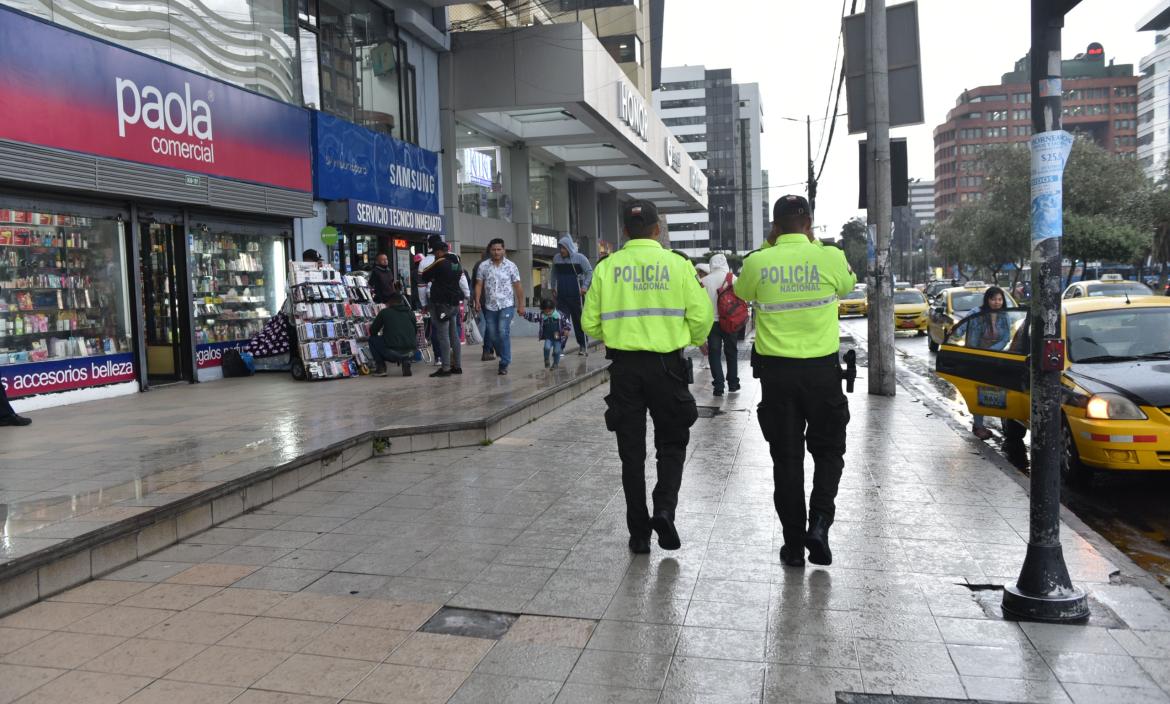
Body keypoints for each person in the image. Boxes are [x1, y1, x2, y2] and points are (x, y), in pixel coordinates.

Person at [583, 200, 713, 555]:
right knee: (671, 444)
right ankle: (665, 509)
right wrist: (682, 339)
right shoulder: (678, 265)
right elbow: (702, 319)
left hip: (624, 370)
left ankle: (639, 535)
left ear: (624, 230)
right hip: (667, 366)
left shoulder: (607, 268)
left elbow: (589, 323)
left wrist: (618, 334)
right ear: (658, 229)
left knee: (631, 455)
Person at [734, 195, 856, 568]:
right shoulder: (829, 257)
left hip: (778, 378)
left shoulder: (758, 262)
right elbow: (848, 286)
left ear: (774, 226)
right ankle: (819, 523)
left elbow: (742, 293)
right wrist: (813, 244)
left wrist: (773, 246)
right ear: (810, 223)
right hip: (822, 375)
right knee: (829, 451)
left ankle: (792, 546)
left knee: (786, 461)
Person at [473, 238, 526, 375]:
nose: (496, 252)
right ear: (490, 251)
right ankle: (504, 355)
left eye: (499, 249)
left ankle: (504, 362)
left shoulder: (511, 266)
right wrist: (477, 300)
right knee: (492, 334)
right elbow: (479, 284)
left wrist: (521, 305)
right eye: (494, 250)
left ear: (504, 250)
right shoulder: (483, 266)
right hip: (490, 306)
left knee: (503, 331)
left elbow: (518, 286)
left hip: (506, 304)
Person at [965, 286, 1012, 440]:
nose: (997, 302)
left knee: (995, 391)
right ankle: (978, 425)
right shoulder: (975, 313)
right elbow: (960, 328)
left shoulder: (1005, 316)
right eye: (993, 299)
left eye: (999, 299)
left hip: (994, 358)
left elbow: (1006, 337)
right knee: (979, 391)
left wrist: (991, 351)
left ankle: (1006, 424)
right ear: (987, 300)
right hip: (976, 358)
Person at [420, 235, 465, 377]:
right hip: (454, 303)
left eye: (435, 253)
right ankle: (457, 366)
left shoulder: (439, 262)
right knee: (454, 336)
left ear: (439, 252)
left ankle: (445, 368)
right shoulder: (456, 262)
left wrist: (434, 277)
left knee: (443, 336)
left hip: (441, 304)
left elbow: (425, 276)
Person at [700, 253, 740, 397]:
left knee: (714, 354)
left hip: (712, 323)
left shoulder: (704, 281)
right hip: (730, 321)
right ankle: (733, 383)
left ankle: (718, 386)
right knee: (731, 352)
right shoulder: (734, 279)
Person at [550, 235, 593, 355]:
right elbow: (553, 273)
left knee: (579, 322)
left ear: (569, 247)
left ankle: (583, 345)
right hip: (562, 297)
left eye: (563, 248)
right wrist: (553, 286)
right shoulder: (557, 258)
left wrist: (584, 287)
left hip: (577, 296)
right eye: (560, 248)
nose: (561, 250)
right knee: (561, 323)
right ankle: (560, 348)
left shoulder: (580, 258)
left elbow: (589, 272)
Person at [368, 286, 418, 377]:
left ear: (390, 302)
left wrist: (384, 335)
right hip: (412, 351)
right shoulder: (411, 312)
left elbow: (372, 331)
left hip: (392, 351)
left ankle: (381, 368)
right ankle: (406, 360)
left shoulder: (385, 312)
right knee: (401, 344)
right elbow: (415, 331)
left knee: (372, 339)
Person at [471, 250, 496, 361]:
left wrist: (475, 299)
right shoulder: (492, 264)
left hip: (481, 299)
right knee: (492, 326)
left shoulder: (477, 265)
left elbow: (473, 283)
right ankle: (487, 349)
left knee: (490, 325)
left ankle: (489, 348)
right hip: (492, 300)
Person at [532, 299, 569, 369]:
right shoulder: (542, 316)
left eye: (549, 311)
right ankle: (546, 359)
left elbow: (567, 322)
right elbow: (533, 317)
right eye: (546, 311)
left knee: (557, 351)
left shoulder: (559, 315)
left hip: (557, 337)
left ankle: (555, 364)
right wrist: (524, 314)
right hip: (548, 337)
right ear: (543, 310)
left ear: (553, 308)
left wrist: (566, 329)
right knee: (546, 347)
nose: (548, 313)